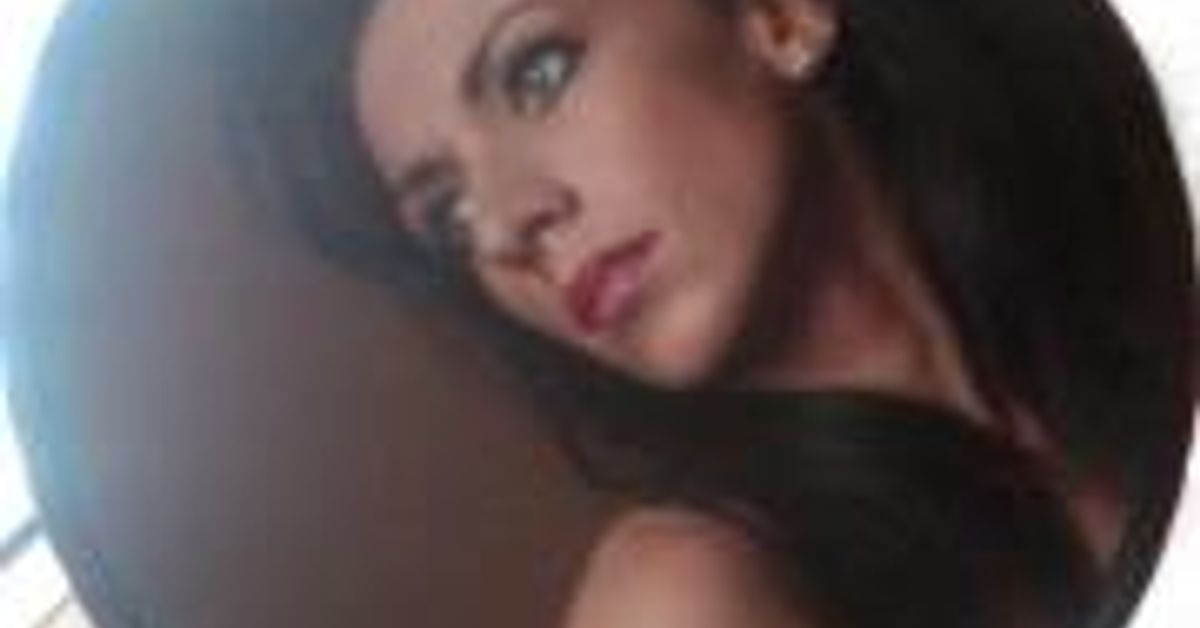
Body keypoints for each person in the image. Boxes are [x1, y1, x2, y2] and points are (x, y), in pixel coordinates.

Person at [219, 0, 1197, 626]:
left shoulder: (1142, 243)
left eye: (536, 73)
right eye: (449, 213)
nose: (508, 224)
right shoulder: (686, 593)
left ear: (780, 17)